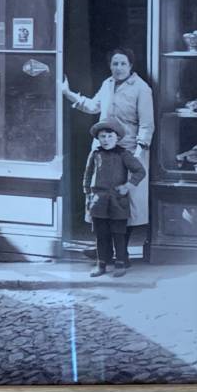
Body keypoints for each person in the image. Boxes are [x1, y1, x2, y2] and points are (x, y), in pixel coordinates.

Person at [60, 47, 155, 258]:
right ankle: (104, 249)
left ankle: (121, 252)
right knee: (102, 199)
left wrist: (139, 153)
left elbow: (147, 125)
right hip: (103, 151)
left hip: (128, 151)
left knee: (125, 202)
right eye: (114, 63)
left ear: (131, 66)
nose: (118, 68)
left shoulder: (141, 89)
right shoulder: (107, 84)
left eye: (123, 64)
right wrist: (67, 93)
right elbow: (93, 107)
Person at [81, 120, 146, 277]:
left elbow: (140, 171)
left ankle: (121, 263)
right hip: (98, 201)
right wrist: (88, 194)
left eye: (110, 136)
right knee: (101, 234)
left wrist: (127, 186)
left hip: (118, 201)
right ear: (98, 138)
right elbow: (88, 175)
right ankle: (101, 264)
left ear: (117, 138)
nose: (106, 140)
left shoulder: (124, 154)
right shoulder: (95, 154)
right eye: (102, 136)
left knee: (119, 233)